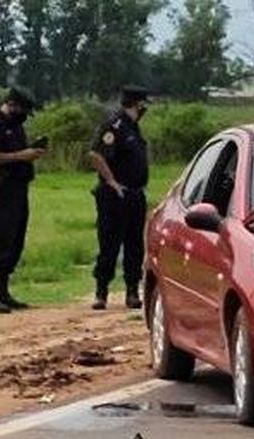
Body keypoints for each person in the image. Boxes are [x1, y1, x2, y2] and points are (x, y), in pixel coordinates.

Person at [0, 87, 47, 314]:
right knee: (0, 239)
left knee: (14, 241)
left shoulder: (15, 126)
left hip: (19, 189)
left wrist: (32, 152)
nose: (24, 115)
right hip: (2, 189)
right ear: (11, 104)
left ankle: (2, 292)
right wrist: (22, 156)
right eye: (23, 109)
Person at [89, 85, 152, 311]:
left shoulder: (133, 127)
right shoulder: (115, 126)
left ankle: (132, 291)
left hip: (135, 194)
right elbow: (96, 155)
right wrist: (112, 182)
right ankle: (101, 291)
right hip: (115, 195)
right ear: (136, 103)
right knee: (110, 242)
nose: (145, 108)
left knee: (135, 244)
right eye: (143, 103)